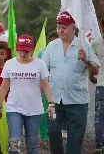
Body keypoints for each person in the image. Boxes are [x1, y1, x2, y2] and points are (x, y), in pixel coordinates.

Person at [42, 11, 100, 154]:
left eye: (64, 27)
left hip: (77, 102)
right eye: (58, 27)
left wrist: (86, 60)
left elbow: (96, 70)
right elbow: (43, 70)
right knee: (53, 132)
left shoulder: (84, 47)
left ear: (73, 28)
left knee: (75, 140)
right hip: (54, 101)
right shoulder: (51, 46)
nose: (60, 30)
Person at [0, 34, 55, 154]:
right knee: (14, 143)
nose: (23, 54)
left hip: (35, 110)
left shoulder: (40, 64)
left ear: (32, 50)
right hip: (14, 108)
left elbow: (45, 85)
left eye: (26, 51)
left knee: (32, 145)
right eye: (20, 50)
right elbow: (4, 86)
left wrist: (51, 103)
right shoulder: (9, 64)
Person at [37, 30, 58, 147]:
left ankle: (55, 138)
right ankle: (44, 137)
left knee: (58, 113)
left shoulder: (65, 52)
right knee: (45, 112)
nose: (53, 43)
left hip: (60, 88)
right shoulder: (41, 53)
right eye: (51, 41)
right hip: (46, 87)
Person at [90, 19, 104, 153]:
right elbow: (90, 64)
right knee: (100, 115)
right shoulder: (95, 44)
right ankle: (99, 143)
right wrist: (91, 76)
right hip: (101, 85)